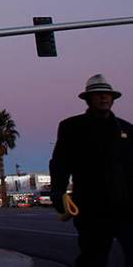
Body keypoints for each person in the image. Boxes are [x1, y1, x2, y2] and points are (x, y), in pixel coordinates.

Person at [50, 74, 133, 266]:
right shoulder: (72, 127)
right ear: (88, 99)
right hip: (91, 207)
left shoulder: (127, 129)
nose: (104, 98)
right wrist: (58, 191)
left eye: (107, 94)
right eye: (98, 94)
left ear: (113, 98)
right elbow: (60, 162)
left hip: (126, 207)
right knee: (93, 256)